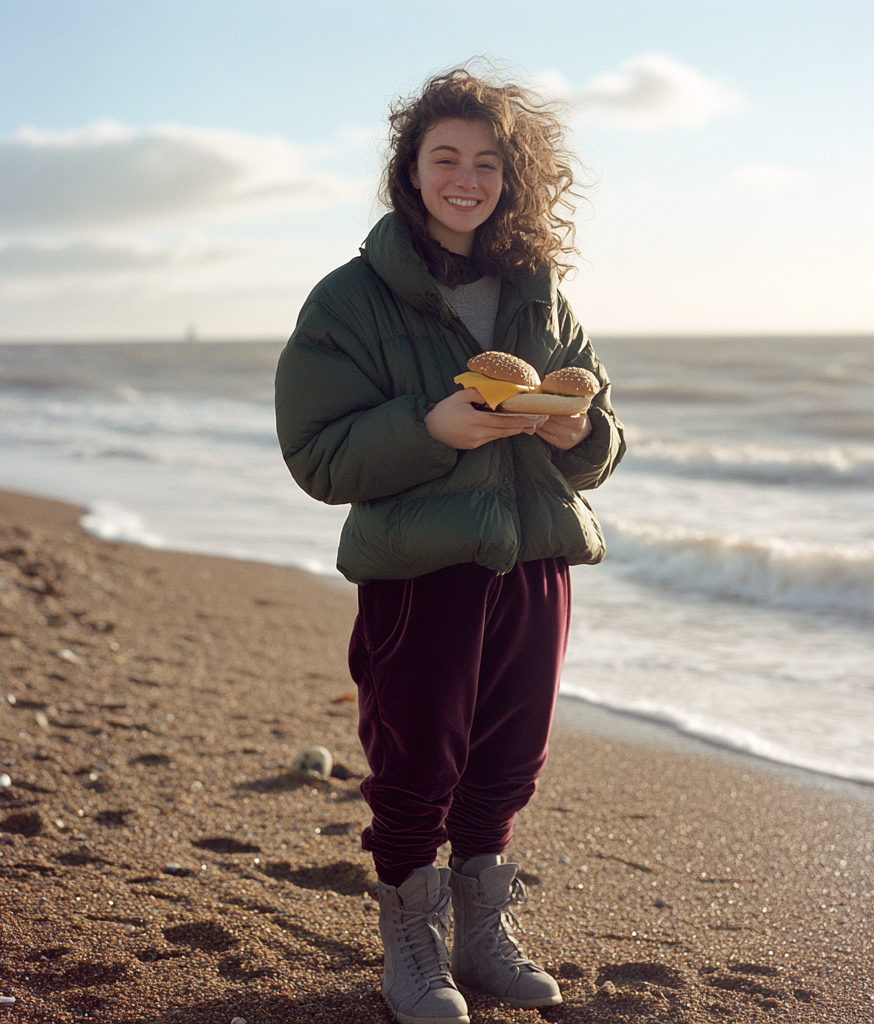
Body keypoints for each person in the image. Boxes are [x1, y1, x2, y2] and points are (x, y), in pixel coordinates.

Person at [275, 67, 625, 1024]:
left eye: (486, 162)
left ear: (511, 177)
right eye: (445, 159)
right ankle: (411, 944)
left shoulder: (540, 293)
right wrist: (432, 427)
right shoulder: (349, 300)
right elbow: (315, 456)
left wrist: (573, 433)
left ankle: (481, 933)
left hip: (537, 560)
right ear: (411, 171)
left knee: (509, 759)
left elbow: (604, 438)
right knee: (416, 761)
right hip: (422, 571)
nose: (465, 179)